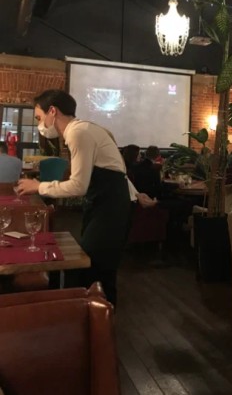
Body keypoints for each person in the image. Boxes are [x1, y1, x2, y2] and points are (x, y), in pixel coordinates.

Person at [17, 89, 155, 305]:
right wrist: (136, 193)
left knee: (95, 268)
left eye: (39, 118)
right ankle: (98, 318)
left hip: (109, 208)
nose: (39, 125)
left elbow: (78, 186)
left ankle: (97, 319)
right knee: (98, 269)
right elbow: (115, 170)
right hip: (107, 204)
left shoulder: (78, 133)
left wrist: (38, 186)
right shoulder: (84, 129)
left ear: (52, 111)